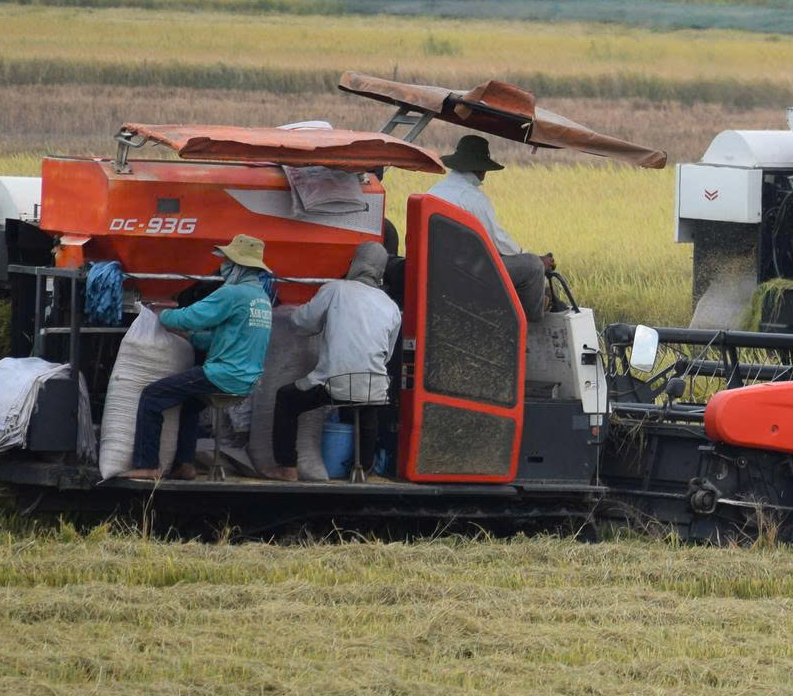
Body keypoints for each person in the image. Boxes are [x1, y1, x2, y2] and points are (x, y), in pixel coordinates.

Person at [127, 234, 275, 480]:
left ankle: (148, 465)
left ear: (239, 265)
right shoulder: (261, 298)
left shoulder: (233, 294)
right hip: (246, 379)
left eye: (228, 261)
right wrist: (193, 339)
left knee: (152, 395)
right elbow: (229, 338)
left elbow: (192, 317)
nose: (223, 266)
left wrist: (160, 314)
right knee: (190, 404)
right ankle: (185, 464)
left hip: (223, 375)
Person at [265, 240, 399, 482]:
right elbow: (386, 354)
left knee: (287, 399)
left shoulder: (335, 289)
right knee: (367, 409)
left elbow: (302, 323)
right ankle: (362, 470)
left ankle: (287, 467)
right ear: (380, 271)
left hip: (334, 382)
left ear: (355, 264)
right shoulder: (390, 306)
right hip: (374, 385)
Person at [427, 134, 551, 317]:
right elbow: (501, 244)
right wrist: (536, 258)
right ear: (481, 169)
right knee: (532, 266)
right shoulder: (473, 198)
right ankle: (531, 325)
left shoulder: (433, 191)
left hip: (435, 270)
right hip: (463, 275)